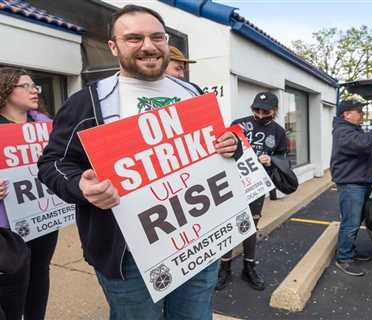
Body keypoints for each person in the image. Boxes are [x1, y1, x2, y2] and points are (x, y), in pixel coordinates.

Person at [37, 5, 239, 320]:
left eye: (156, 37)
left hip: (199, 241)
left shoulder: (193, 92)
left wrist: (232, 145)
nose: (148, 46)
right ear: (113, 46)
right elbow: (53, 164)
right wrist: (80, 186)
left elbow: (221, 145)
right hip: (127, 255)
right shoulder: (89, 102)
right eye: (134, 38)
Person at [0, 67, 58, 320]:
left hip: (44, 217)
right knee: (12, 283)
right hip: (7, 225)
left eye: (35, 85)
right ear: (5, 89)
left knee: (39, 272)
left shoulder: (45, 125)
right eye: (26, 86)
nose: (34, 90)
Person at [216, 92, 288, 291]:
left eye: (266, 111)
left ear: (275, 111)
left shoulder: (279, 132)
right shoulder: (237, 124)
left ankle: (249, 267)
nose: (260, 113)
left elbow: (284, 158)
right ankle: (225, 268)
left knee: (250, 227)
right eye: (256, 109)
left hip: (257, 185)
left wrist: (271, 160)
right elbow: (221, 149)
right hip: (232, 183)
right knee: (230, 226)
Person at [330, 100, 372, 276]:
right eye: (359, 111)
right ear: (347, 114)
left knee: (356, 221)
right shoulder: (343, 131)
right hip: (351, 184)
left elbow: (366, 142)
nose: (362, 114)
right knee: (350, 223)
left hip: (360, 182)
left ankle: (349, 251)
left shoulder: (352, 129)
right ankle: (344, 258)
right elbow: (363, 143)